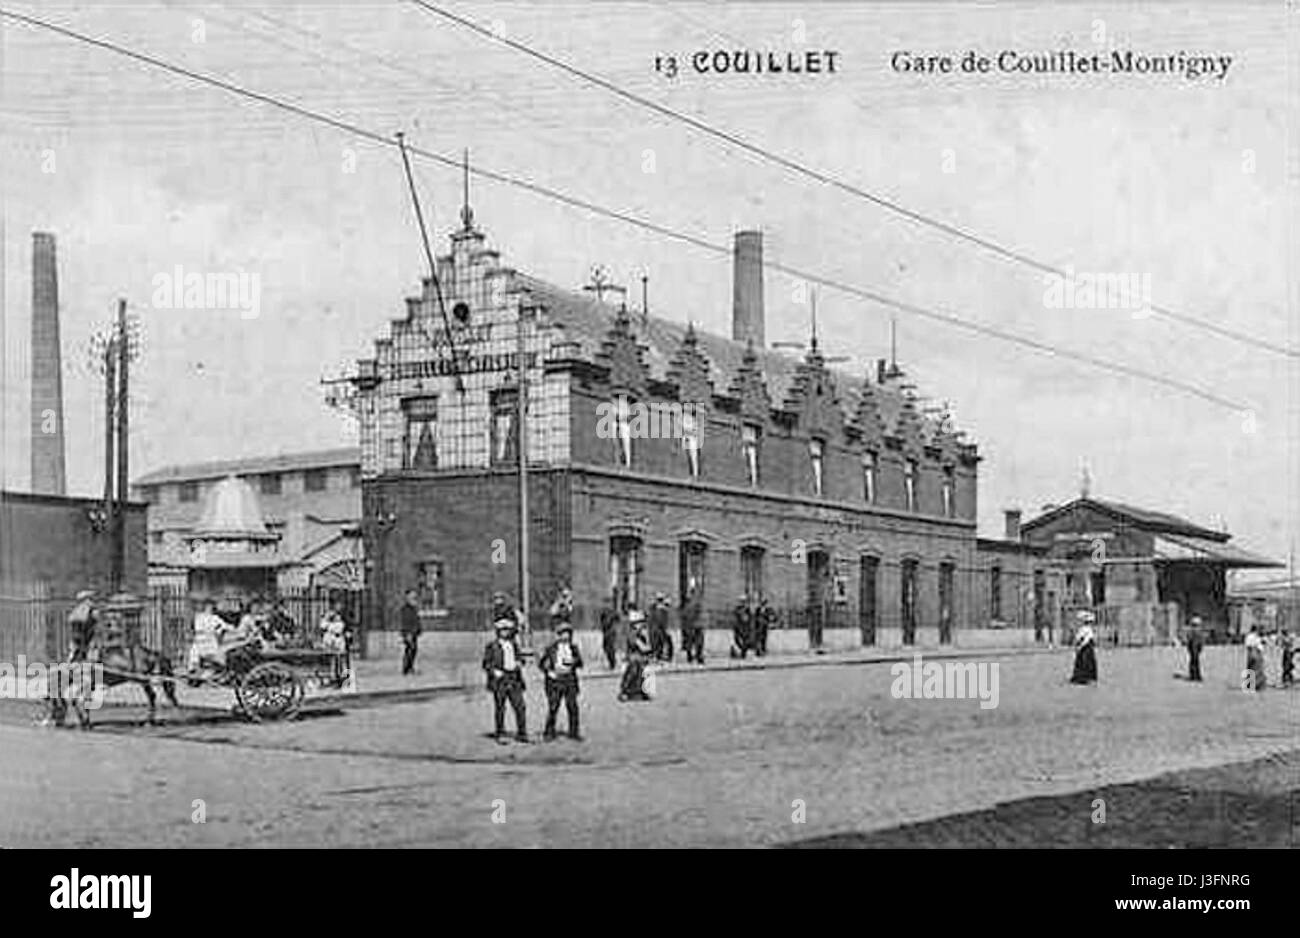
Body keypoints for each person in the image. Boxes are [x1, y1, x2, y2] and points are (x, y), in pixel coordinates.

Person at [483, 617, 528, 742]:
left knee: (520, 706)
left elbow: (521, 658)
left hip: (514, 678)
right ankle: (500, 732)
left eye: (508, 630)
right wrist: (494, 671)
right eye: (502, 630)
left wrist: (520, 662)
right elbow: (486, 663)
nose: (505, 633)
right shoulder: (492, 646)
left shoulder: (514, 644)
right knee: (500, 707)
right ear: (498, 631)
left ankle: (522, 733)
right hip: (500, 679)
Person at [539, 621, 583, 740]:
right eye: (563, 634)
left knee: (572, 707)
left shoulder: (573, 648)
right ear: (558, 635)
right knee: (553, 707)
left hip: (569, 680)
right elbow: (542, 664)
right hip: (555, 681)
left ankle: (574, 732)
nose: (565, 636)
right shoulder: (551, 649)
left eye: (568, 634)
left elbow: (580, 662)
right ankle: (549, 732)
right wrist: (549, 672)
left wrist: (573, 662)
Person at [619, 608, 652, 701]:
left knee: (642, 674)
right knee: (632, 673)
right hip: (633, 656)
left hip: (640, 656)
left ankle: (641, 691)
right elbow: (634, 643)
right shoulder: (633, 633)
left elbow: (646, 645)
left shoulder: (642, 632)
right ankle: (625, 691)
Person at [67, 589, 99, 663]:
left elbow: (71, 620)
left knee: (76, 649)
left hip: (80, 634)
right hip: (85, 633)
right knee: (85, 647)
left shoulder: (76, 610)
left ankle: (73, 661)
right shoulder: (89, 609)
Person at [1070, 612, 1098, 685]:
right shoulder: (1083, 629)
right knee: (1084, 663)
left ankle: (1084, 678)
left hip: (1086, 648)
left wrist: (1080, 646)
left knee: (1085, 663)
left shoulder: (1086, 629)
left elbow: (1086, 639)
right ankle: (1084, 677)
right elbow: (1078, 638)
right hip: (1085, 648)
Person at [399, 589, 421, 676]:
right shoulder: (406, 609)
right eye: (412, 597)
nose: (414, 599)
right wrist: (407, 634)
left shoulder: (413, 608)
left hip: (413, 633)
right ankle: (406, 668)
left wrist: (418, 629)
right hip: (409, 633)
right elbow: (406, 622)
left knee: (413, 650)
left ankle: (410, 667)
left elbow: (416, 620)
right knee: (410, 650)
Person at [681, 588, 704, 664]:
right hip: (695, 626)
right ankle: (698, 657)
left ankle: (690, 657)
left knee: (691, 642)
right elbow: (695, 614)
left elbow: (684, 616)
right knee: (698, 642)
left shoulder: (687, 606)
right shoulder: (695, 604)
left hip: (691, 626)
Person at [648, 592, 673, 662]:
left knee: (657, 643)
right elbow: (662, 621)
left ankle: (658, 656)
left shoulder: (656, 610)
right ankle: (660, 656)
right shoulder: (661, 610)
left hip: (655, 629)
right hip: (659, 629)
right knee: (661, 643)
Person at [731, 593, 753, 659]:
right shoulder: (737, 609)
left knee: (745, 641)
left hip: (745, 628)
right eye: (741, 601)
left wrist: (750, 627)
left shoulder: (748, 609)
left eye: (744, 601)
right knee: (737, 639)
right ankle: (742, 651)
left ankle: (743, 653)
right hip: (738, 627)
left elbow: (750, 618)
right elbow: (735, 616)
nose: (743, 603)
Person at [598, 602, 620, 670]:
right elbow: (602, 622)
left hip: (610, 632)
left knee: (610, 648)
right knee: (606, 647)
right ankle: (612, 663)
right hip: (607, 632)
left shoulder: (612, 613)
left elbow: (618, 619)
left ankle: (612, 664)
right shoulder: (604, 613)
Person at [1244, 626, 1266, 691]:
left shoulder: (1256, 637)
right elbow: (1249, 646)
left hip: (1257, 652)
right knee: (1254, 668)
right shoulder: (1251, 636)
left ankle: (1255, 685)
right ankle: (1252, 685)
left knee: (1255, 669)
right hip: (1254, 652)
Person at [1185, 616, 1204, 682]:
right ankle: (1194, 675)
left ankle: (1196, 675)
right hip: (1193, 649)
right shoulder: (1192, 632)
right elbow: (1190, 641)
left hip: (1195, 649)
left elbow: (1200, 641)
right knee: (1194, 662)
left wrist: (1200, 648)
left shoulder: (1198, 632)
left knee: (1195, 662)